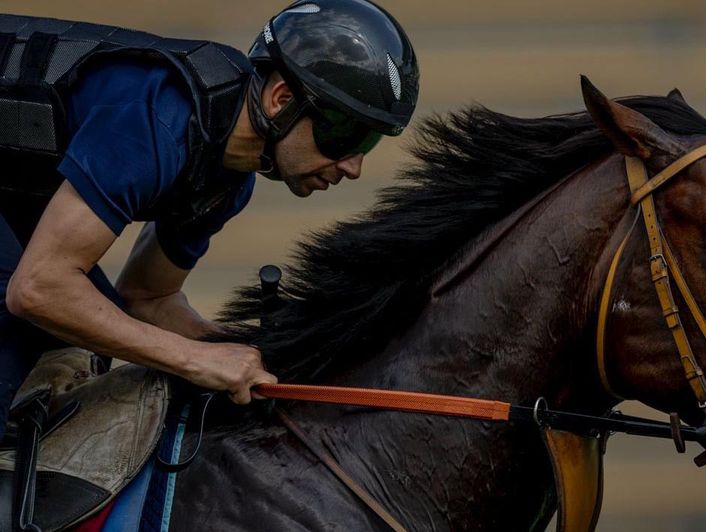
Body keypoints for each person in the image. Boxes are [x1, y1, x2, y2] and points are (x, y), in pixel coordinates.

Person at [0, 0, 420, 438]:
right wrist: (194, 359)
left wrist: (251, 355)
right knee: (27, 322)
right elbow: (37, 289)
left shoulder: (229, 182)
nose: (353, 166)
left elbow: (147, 296)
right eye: (345, 134)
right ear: (281, 100)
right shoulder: (155, 123)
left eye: (367, 142)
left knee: (78, 332)